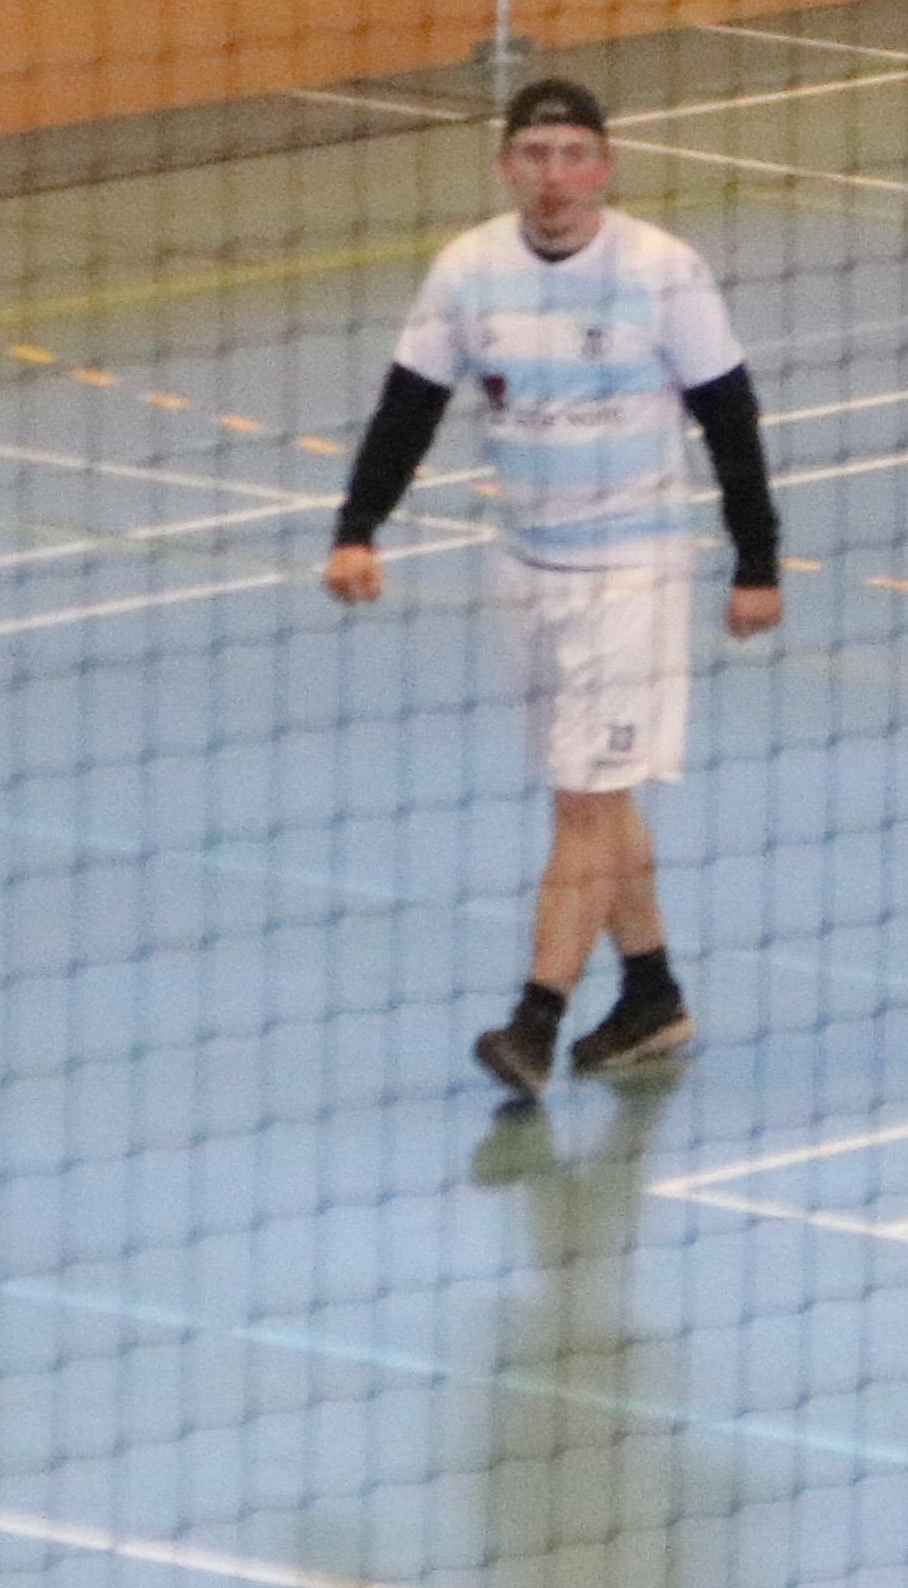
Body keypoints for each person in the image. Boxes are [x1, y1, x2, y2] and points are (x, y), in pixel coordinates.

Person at [322, 79, 784, 1111]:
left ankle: (535, 1021)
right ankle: (652, 994)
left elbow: (730, 417)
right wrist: (358, 528)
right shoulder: (469, 269)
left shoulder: (662, 271)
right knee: (595, 795)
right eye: (535, 155)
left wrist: (757, 562)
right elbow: (408, 407)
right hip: (525, 569)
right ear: (505, 166)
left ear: (604, 167)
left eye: (575, 154)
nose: (555, 175)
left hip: (633, 574)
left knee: (582, 799)